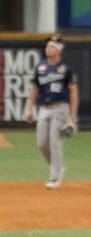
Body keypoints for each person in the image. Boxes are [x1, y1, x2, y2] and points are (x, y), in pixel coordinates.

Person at [24, 35, 79, 188]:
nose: (48, 48)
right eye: (47, 46)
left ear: (59, 50)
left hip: (60, 108)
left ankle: (55, 176)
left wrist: (72, 116)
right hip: (44, 108)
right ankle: (57, 168)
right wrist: (29, 109)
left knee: (55, 141)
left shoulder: (65, 68)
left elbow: (73, 91)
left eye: (52, 46)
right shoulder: (40, 67)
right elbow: (34, 88)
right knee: (42, 143)